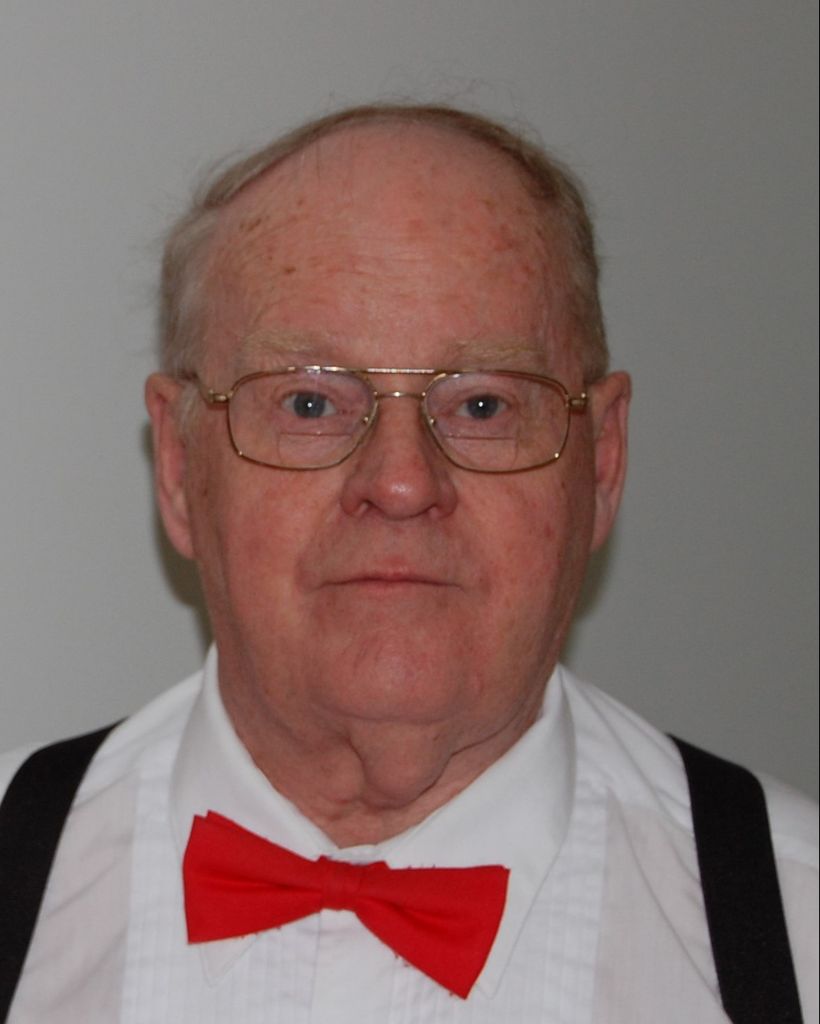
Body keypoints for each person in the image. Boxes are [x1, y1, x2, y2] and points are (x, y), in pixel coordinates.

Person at [0, 103, 816, 1023]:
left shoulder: (801, 929)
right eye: (309, 404)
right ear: (181, 468)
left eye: (483, 405)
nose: (399, 483)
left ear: (604, 462)